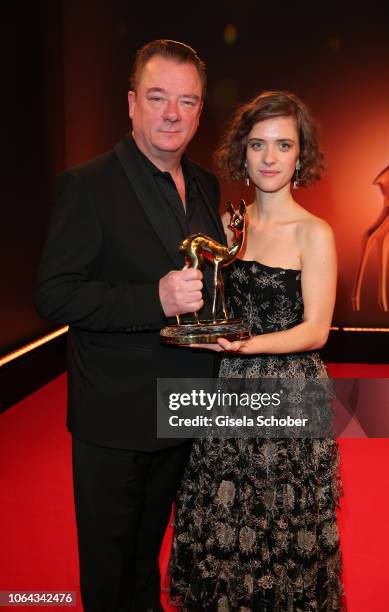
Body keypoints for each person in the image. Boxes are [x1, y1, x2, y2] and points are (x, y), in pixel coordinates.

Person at [34, 39, 225, 612]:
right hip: (115, 419)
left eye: (186, 101)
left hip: (186, 405)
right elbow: (54, 294)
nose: (172, 113)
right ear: (131, 103)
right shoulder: (87, 185)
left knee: (147, 557)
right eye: (157, 96)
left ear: (199, 110)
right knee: (110, 569)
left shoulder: (208, 186)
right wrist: (155, 298)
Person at [169, 91, 344, 610]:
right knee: (227, 517)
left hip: (290, 394)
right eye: (258, 145)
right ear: (241, 154)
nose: (270, 158)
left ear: (300, 155)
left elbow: (316, 331)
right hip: (227, 391)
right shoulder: (229, 228)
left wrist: (244, 346)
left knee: (283, 524)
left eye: (283, 145)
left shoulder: (315, 233)